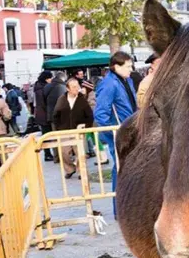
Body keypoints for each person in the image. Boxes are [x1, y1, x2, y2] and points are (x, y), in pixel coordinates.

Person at [94, 51, 138, 217]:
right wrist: (114, 132)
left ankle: (127, 206)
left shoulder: (126, 80)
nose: (131, 69)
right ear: (116, 67)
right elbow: (101, 114)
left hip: (130, 130)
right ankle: (119, 210)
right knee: (120, 169)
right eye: (127, 66)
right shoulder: (109, 84)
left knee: (128, 168)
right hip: (118, 133)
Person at [52, 78, 94, 179]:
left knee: (80, 152)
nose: (76, 89)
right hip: (64, 130)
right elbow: (55, 115)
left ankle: (81, 171)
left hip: (78, 130)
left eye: (77, 86)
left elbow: (89, 115)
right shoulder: (62, 99)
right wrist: (58, 128)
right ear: (68, 89)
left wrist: (86, 127)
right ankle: (70, 169)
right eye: (74, 87)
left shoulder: (82, 99)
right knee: (64, 152)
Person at [43, 72, 68, 161]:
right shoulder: (62, 87)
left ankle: (56, 156)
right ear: (62, 78)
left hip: (51, 115)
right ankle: (65, 157)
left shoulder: (47, 86)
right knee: (64, 137)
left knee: (54, 136)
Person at [34, 71, 56, 160]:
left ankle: (48, 153)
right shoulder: (41, 88)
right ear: (46, 79)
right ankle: (47, 154)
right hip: (44, 114)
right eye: (50, 78)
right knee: (46, 135)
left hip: (43, 113)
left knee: (46, 134)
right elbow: (43, 103)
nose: (51, 79)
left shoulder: (39, 86)